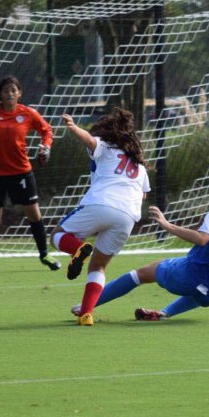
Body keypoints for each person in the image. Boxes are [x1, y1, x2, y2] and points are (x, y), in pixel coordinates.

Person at [74, 171, 209, 322]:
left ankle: (87, 307)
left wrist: (167, 225)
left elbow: (201, 239)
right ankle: (164, 313)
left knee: (140, 274)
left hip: (186, 276)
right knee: (203, 289)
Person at [51, 109, 150, 326]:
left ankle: (77, 249)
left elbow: (90, 141)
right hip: (128, 217)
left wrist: (74, 127)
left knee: (58, 235)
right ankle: (86, 314)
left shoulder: (106, 146)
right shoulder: (139, 164)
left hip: (102, 203)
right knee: (98, 267)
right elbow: (143, 195)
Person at [0, 74, 61, 273]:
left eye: (13, 90)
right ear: (0, 94)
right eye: (6, 91)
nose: (10, 94)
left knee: (34, 213)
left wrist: (46, 148)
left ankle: (44, 254)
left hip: (21, 172)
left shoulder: (28, 113)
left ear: (19, 93)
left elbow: (46, 130)